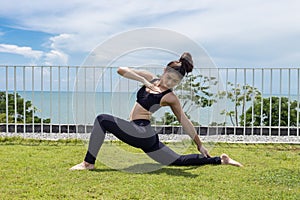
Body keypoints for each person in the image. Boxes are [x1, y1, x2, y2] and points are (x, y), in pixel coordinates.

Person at [70, 52, 243, 170]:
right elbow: (121, 70)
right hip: (140, 132)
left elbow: (185, 121)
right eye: (169, 78)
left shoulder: (170, 97)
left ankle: (88, 163)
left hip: (143, 131)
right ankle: (221, 160)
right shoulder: (149, 78)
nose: (169, 83)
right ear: (164, 71)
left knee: (102, 119)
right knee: (178, 161)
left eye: (175, 82)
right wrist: (144, 82)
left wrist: (200, 144)